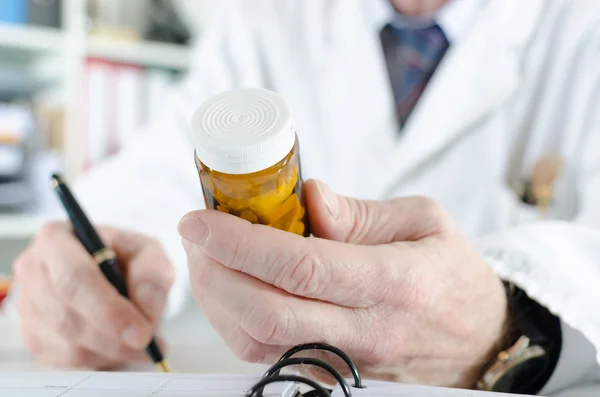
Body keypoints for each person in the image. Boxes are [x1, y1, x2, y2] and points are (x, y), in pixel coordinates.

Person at [8, 0, 600, 395]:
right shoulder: (271, 16)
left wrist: (506, 320)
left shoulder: (579, 26)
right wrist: (88, 269)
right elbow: (164, 174)